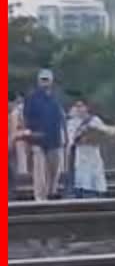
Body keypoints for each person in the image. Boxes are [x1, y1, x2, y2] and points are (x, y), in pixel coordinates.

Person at [65, 97, 115, 198]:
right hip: (81, 155)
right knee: (82, 178)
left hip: (94, 153)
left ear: (86, 107)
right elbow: (70, 140)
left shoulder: (94, 120)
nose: (79, 109)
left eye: (81, 106)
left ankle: (98, 195)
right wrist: (79, 137)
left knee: (96, 176)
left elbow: (105, 130)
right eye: (76, 106)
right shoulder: (72, 123)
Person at [23, 69, 66, 202]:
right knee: (39, 170)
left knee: (54, 169)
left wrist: (63, 136)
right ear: (38, 81)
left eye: (47, 79)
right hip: (38, 139)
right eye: (42, 80)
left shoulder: (55, 98)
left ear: (51, 81)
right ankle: (40, 198)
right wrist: (31, 135)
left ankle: (51, 191)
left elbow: (60, 118)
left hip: (54, 138)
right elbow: (27, 118)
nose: (45, 82)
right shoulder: (32, 98)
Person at [8, 92, 29, 178]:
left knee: (20, 154)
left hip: (19, 135)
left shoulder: (17, 111)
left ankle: (22, 173)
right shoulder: (15, 111)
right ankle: (19, 172)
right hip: (17, 135)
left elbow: (15, 126)